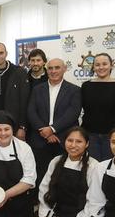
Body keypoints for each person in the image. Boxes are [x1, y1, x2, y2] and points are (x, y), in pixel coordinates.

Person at [34, 127, 98, 217]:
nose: (73, 145)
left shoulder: (94, 166)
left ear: (87, 144)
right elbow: (44, 191)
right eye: (70, 140)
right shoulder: (56, 161)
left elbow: (94, 203)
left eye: (79, 141)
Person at [27, 58, 81, 199]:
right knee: (40, 172)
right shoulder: (37, 89)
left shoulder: (74, 90)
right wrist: (45, 131)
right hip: (40, 138)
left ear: (64, 69)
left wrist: (52, 129)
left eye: (57, 68)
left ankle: (59, 202)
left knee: (62, 174)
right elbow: (31, 112)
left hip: (63, 139)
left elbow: (73, 113)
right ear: (46, 69)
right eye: (50, 68)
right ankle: (39, 203)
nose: (53, 71)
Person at [81, 53, 115, 161]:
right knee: (92, 169)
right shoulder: (86, 86)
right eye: (97, 64)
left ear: (111, 65)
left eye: (104, 64)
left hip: (113, 137)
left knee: (110, 168)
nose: (101, 67)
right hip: (90, 135)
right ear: (93, 67)